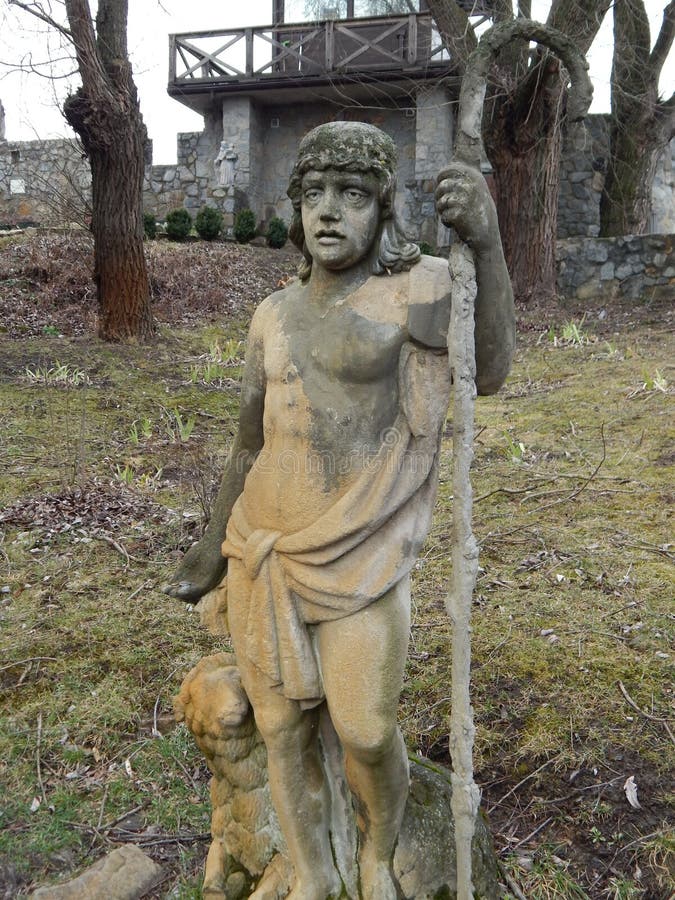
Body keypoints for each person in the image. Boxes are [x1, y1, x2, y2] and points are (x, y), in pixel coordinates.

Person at [163, 121, 514, 899]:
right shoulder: (271, 313)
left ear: (382, 208)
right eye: (314, 193)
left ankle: (376, 852)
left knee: (364, 728)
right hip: (262, 544)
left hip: (360, 550)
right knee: (280, 729)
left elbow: (486, 369)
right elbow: (249, 440)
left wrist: (486, 244)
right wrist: (210, 546)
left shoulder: (418, 288)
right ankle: (313, 877)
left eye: (351, 194)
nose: (328, 210)